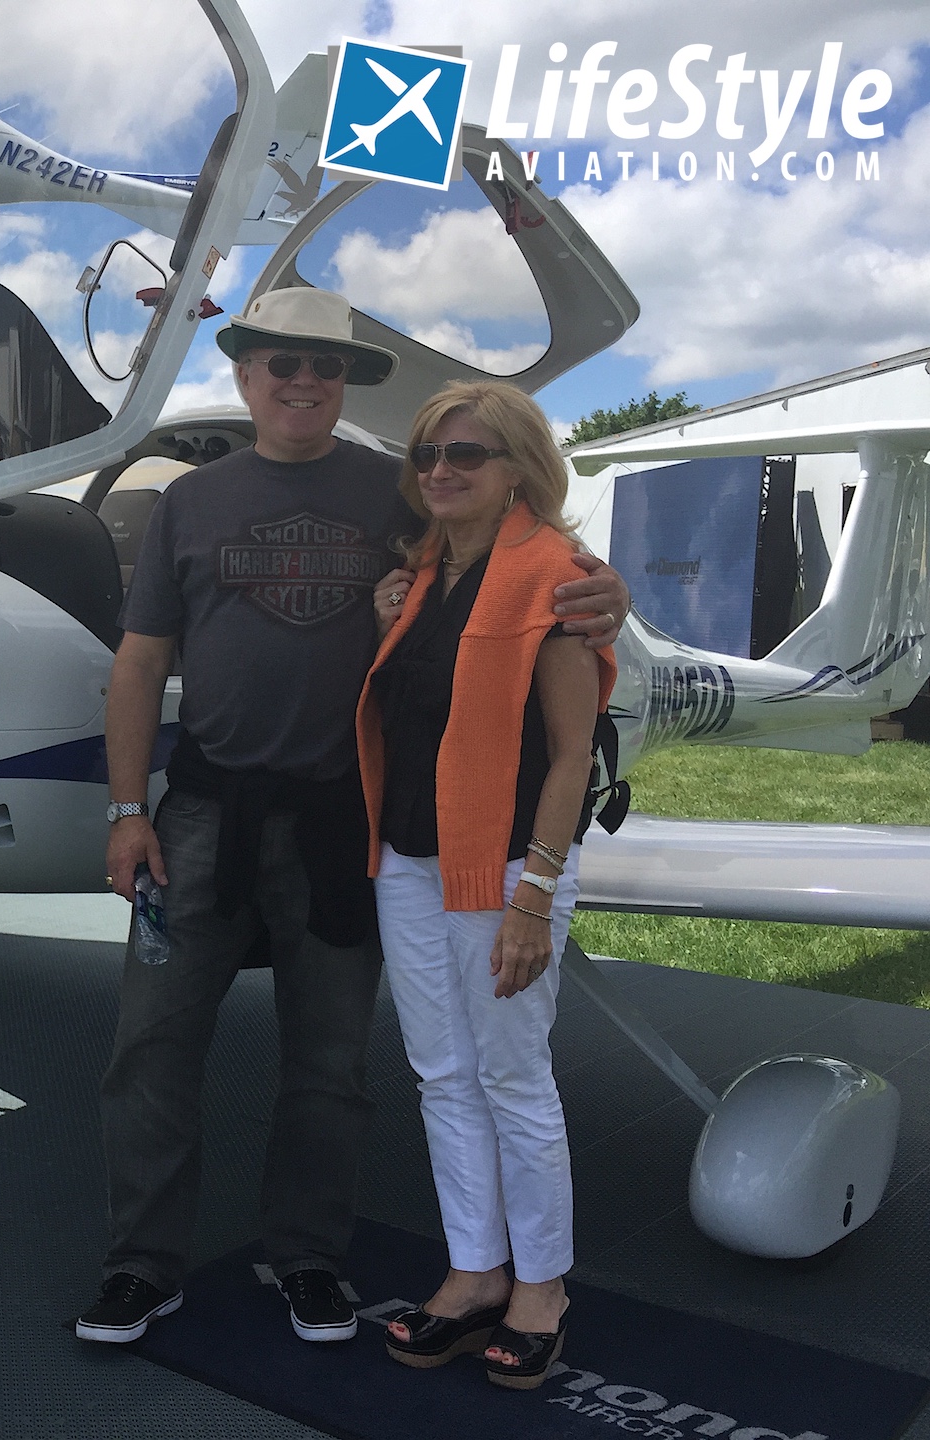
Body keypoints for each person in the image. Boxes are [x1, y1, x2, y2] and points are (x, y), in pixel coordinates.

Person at [77, 287, 629, 1347]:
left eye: (322, 366)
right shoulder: (187, 504)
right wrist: (123, 806)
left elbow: (526, 559)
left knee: (330, 1060)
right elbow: (140, 659)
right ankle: (141, 1265)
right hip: (202, 813)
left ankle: (307, 1259)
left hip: (346, 823)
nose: (300, 380)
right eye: (278, 361)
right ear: (243, 376)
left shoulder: (404, 494)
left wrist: (607, 596)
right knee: (149, 1047)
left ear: (343, 385)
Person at [360, 381, 615, 1389]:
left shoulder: (554, 578)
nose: (439, 470)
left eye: (465, 453)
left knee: (511, 1076)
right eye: (427, 453)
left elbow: (568, 759)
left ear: (517, 466)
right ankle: (471, 1272)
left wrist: (532, 898)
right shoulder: (418, 578)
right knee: (441, 1075)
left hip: (504, 866)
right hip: (409, 865)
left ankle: (540, 1290)